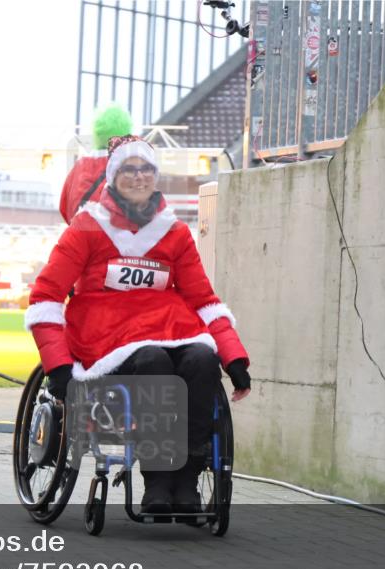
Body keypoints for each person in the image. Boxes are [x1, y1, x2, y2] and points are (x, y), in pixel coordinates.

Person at [26, 135, 252, 514]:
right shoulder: (87, 227)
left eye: (146, 168)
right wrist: (58, 365)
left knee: (200, 360)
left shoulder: (175, 232)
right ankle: (158, 479)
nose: (138, 176)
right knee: (153, 362)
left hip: (170, 327)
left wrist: (234, 356)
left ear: (155, 176)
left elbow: (203, 300)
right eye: (128, 169)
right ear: (113, 177)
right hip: (106, 334)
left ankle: (187, 476)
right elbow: (46, 296)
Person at [59, 103, 133, 224]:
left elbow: (64, 207)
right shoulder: (127, 169)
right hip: (110, 240)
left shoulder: (79, 167)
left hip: (80, 236)